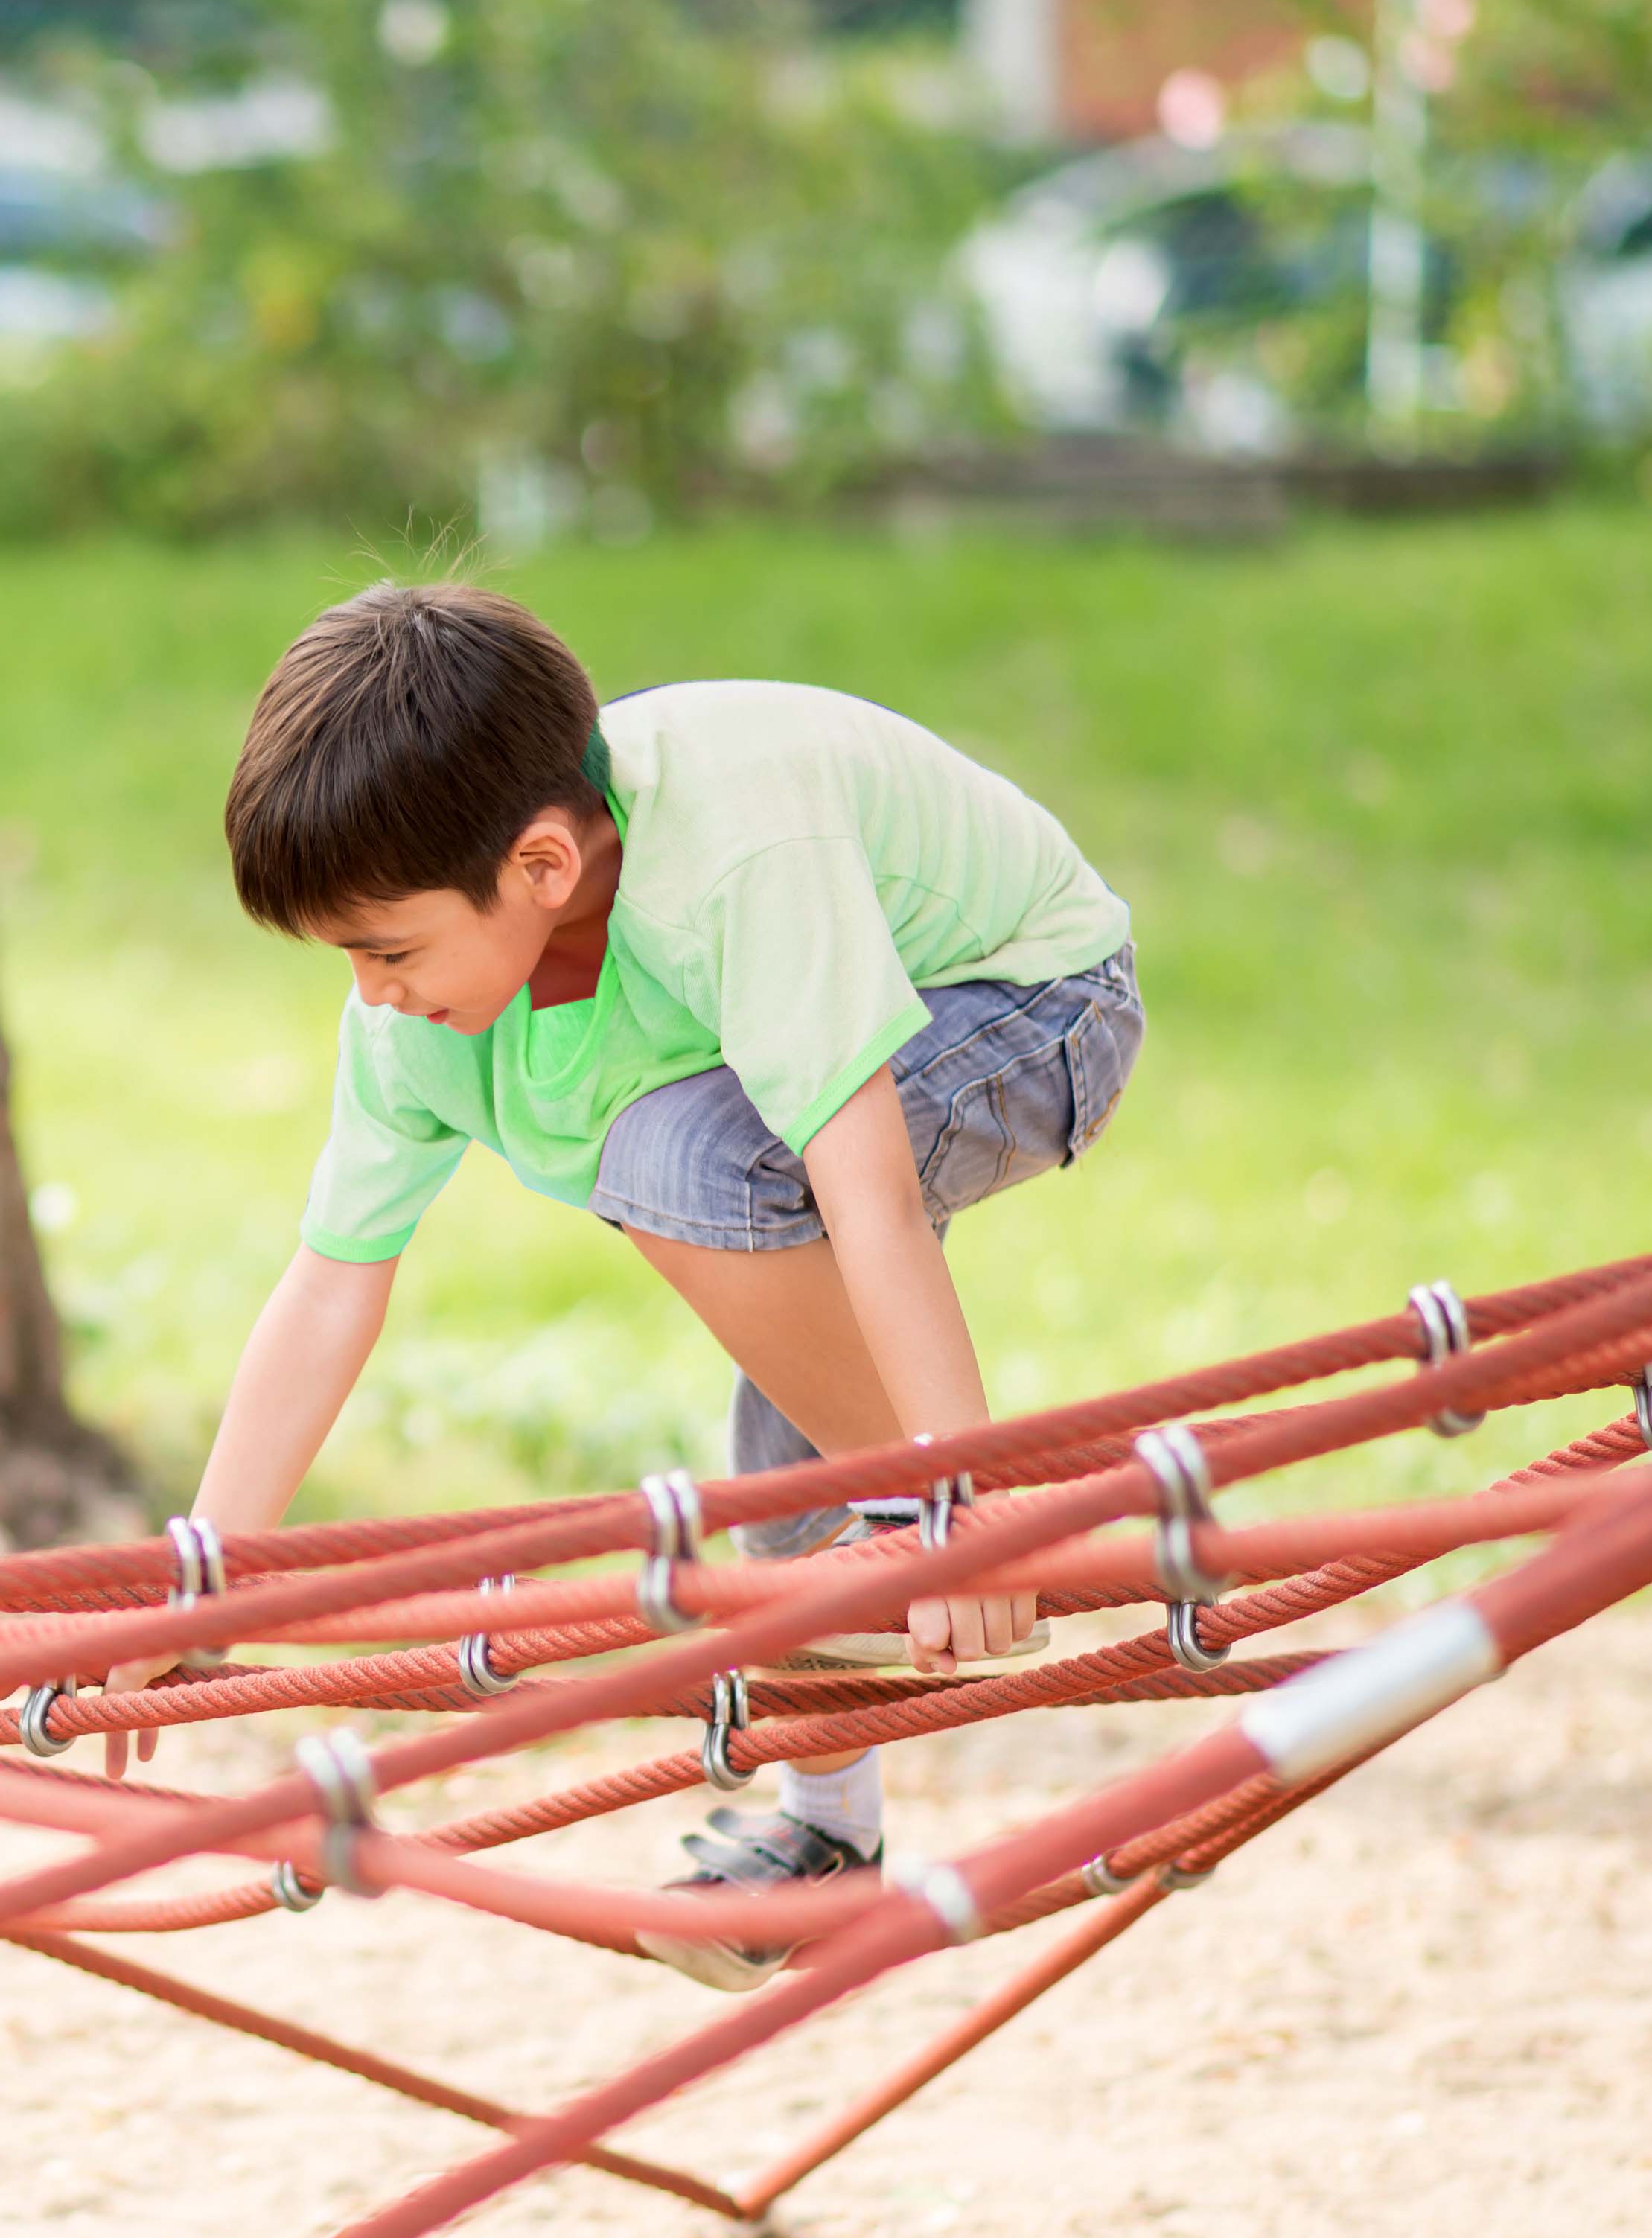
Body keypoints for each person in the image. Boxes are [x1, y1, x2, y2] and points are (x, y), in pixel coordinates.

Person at [168, 581, 1141, 1989]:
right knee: (778, 1389)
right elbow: (333, 1281)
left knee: (694, 1166)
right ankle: (829, 1831)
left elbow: (861, 1188)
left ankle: (965, 1521)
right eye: (347, 959)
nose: (371, 994)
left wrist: (956, 1510)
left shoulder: (732, 861)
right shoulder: (421, 1023)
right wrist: (203, 1580)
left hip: (1030, 999)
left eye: (388, 949)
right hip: (801, 1096)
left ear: (545, 870)